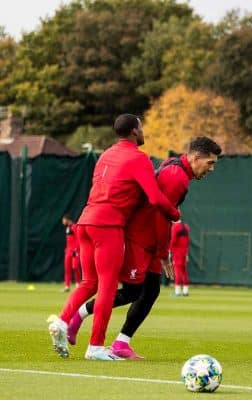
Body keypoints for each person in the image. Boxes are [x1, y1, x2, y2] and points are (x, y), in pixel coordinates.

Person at [67, 137, 221, 359]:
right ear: (196, 157)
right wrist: (163, 254)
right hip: (140, 238)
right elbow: (160, 216)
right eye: (210, 163)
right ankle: (78, 317)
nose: (212, 169)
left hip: (149, 239)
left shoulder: (174, 166)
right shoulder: (177, 179)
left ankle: (121, 343)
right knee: (132, 291)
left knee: (150, 291)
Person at [48, 114, 180, 361]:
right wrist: (174, 213)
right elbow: (154, 198)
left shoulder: (106, 154)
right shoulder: (138, 157)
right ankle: (95, 346)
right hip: (108, 225)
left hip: (85, 220)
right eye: (141, 127)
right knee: (108, 286)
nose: (143, 132)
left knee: (89, 282)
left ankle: (63, 321)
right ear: (133, 132)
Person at [171, 220, 191, 297]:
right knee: (184, 272)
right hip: (184, 253)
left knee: (178, 272)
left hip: (177, 253)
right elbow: (188, 241)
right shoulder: (186, 226)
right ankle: (185, 291)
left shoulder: (175, 227)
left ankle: (177, 292)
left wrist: (170, 252)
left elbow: (173, 241)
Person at [62, 214, 81, 292]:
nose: (63, 222)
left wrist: (76, 249)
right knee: (67, 269)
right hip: (68, 252)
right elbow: (69, 240)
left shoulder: (74, 227)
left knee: (75, 267)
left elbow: (78, 239)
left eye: (64, 220)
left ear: (68, 220)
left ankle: (78, 284)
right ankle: (67, 286)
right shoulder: (67, 228)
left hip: (75, 251)